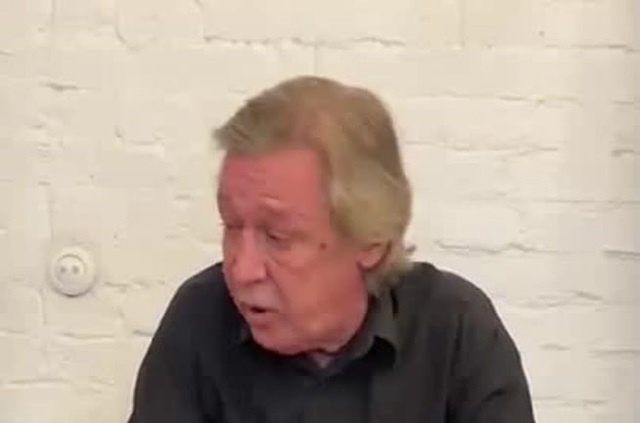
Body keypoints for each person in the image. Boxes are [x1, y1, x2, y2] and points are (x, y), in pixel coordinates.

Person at [128, 76, 536, 423]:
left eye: (278, 237)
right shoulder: (199, 320)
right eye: (231, 226)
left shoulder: (454, 331)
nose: (241, 269)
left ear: (371, 240)